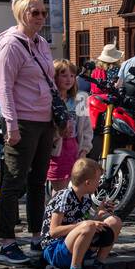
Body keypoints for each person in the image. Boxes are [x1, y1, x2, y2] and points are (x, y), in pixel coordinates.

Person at [0, 0, 58, 266]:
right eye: (35, 13)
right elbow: (4, 88)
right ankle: (7, 243)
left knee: (38, 182)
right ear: (22, 14)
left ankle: (36, 237)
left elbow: (51, 81)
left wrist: (59, 117)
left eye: (43, 12)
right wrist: (11, 124)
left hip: (44, 121)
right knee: (13, 182)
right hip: (22, 121)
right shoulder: (11, 45)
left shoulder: (41, 43)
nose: (41, 17)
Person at [41, 157, 124, 269]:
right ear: (88, 182)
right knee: (89, 225)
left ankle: (97, 267)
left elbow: (86, 225)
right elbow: (54, 231)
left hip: (75, 245)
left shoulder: (85, 198)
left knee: (114, 222)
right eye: (98, 180)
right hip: (54, 249)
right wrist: (86, 224)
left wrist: (100, 213)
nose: (99, 184)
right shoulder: (64, 196)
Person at [47, 59, 92, 194]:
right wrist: (58, 133)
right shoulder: (50, 99)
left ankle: (68, 214)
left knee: (76, 187)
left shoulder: (80, 99)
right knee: (60, 188)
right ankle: (55, 214)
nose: (69, 79)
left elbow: (86, 127)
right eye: (64, 75)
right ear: (55, 77)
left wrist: (84, 149)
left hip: (74, 147)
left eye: (72, 75)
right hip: (57, 148)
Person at [87, 44, 123, 129]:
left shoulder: (96, 70)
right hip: (110, 101)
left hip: (96, 100)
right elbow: (118, 86)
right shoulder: (116, 70)